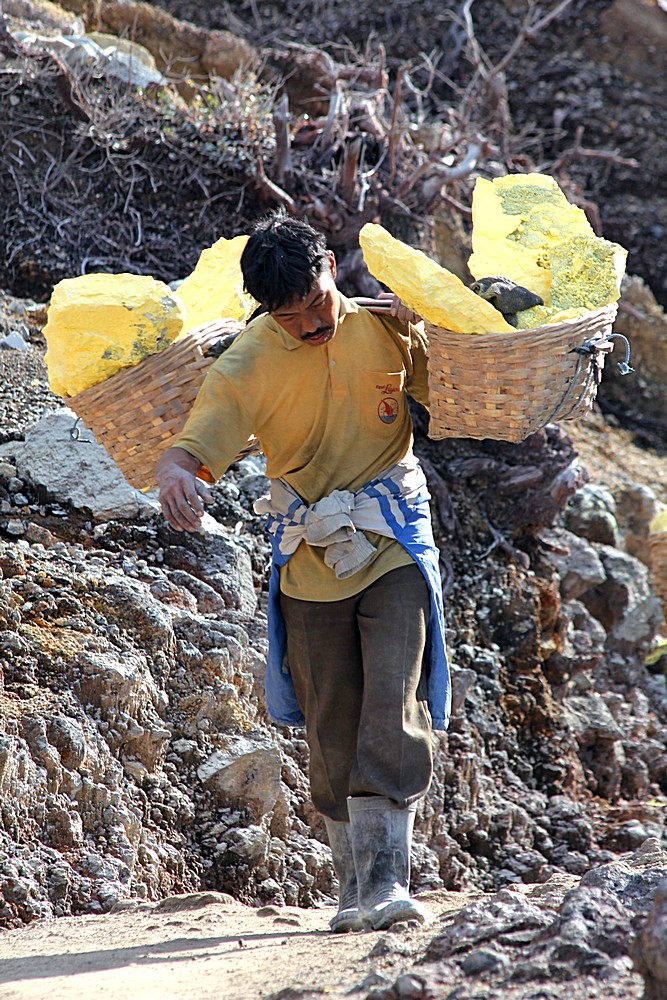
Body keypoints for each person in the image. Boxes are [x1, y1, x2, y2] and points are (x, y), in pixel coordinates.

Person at [156, 210, 451, 932]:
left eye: (318, 304)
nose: (312, 326)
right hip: (310, 559)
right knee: (330, 721)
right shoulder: (246, 363)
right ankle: (350, 889)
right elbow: (191, 449)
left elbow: (458, 382)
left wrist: (432, 324)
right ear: (264, 309)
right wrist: (175, 477)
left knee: (393, 699)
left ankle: (385, 883)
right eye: (291, 319)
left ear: (330, 264)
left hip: (393, 541)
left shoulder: (384, 327)